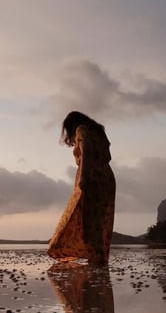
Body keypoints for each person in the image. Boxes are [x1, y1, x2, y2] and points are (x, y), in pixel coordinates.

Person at [47, 111, 116, 265]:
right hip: (107, 176)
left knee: (85, 218)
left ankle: (94, 257)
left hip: (92, 176)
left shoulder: (81, 130)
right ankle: (97, 257)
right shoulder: (98, 131)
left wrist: (84, 176)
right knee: (98, 219)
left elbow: (86, 152)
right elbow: (108, 156)